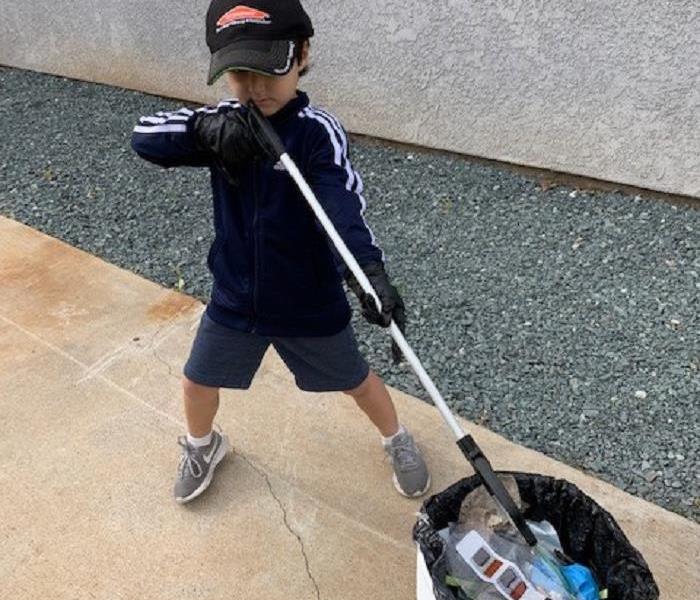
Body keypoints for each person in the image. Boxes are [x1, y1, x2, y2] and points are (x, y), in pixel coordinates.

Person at [131, 0, 431, 505]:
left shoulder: (318, 133)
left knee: (356, 381)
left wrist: (367, 273)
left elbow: (341, 210)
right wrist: (205, 130)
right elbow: (145, 136)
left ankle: (397, 438)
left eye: (268, 70)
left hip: (308, 301)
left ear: (303, 55)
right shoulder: (227, 122)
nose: (255, 87)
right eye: (239, 73)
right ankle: (204, 445)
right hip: (235, 300)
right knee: (195, 382)